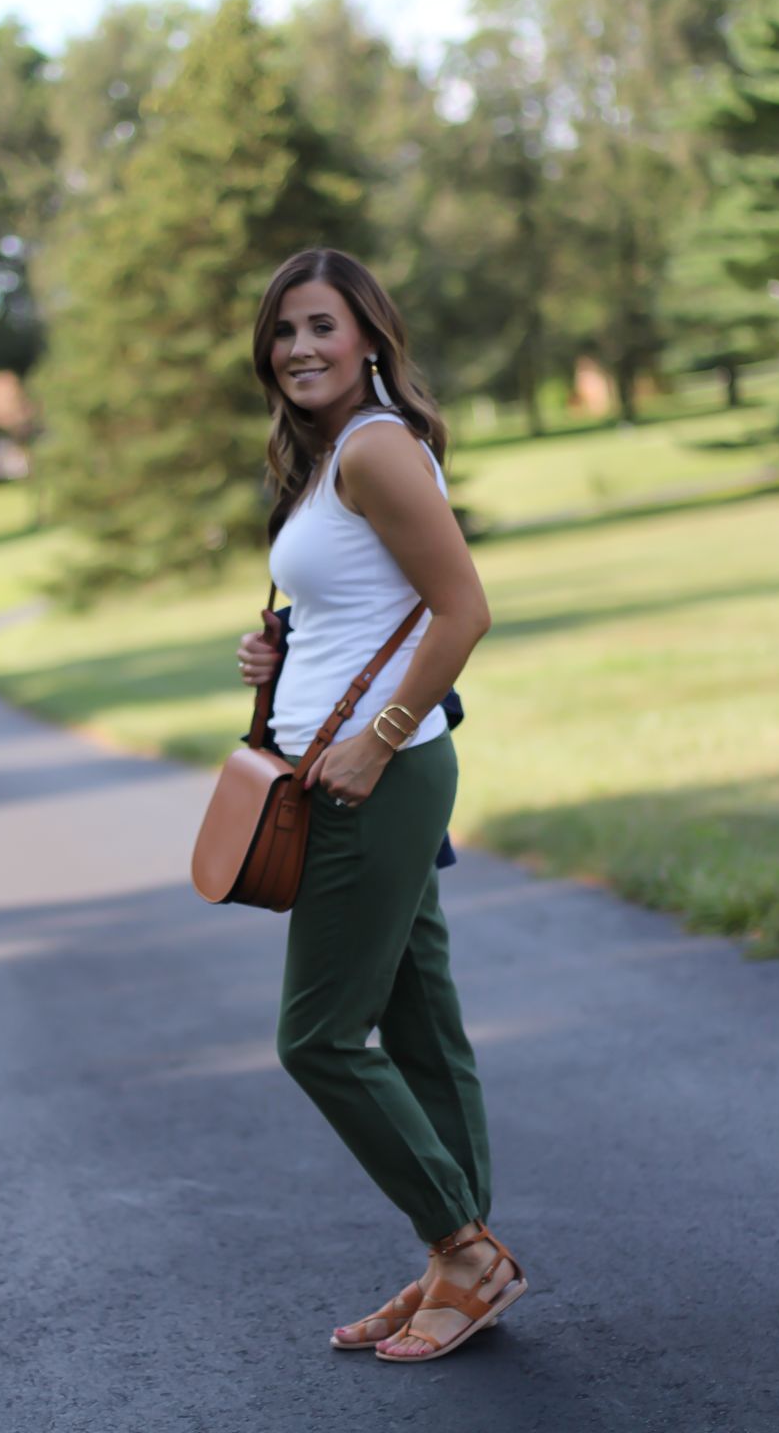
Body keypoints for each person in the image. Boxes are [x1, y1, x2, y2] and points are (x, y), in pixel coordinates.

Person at [237, 248, 527, 1363]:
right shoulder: (332, 457)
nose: (301, 347)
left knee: (315, 1034)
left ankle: (461, 1245)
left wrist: (380, 737)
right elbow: (379, 607)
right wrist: (282, 651)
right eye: (283, 331)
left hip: (380, 773)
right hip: (348, 766)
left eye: (322, 326)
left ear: (368, 336)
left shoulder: (373, 448)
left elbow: (464, 609)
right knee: (416, 1020)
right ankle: (461, 1256)